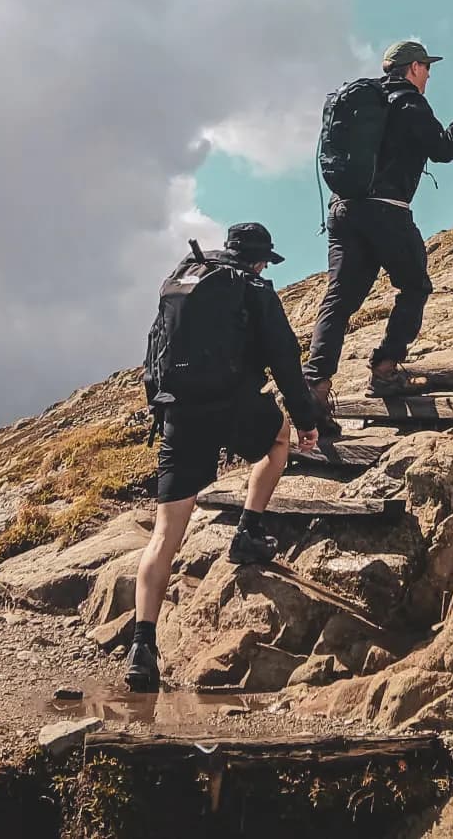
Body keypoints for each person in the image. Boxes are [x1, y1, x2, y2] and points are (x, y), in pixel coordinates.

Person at [126, 222, 320, 693]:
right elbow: (285, 361)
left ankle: (142, 646)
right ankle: (249, 531)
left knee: (165, 534)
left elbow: (156, 346)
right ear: (260, 260)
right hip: (231, 406)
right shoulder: (253, 288)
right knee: (278, 440)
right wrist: (305, 418)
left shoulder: (187, 275)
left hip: (179, 413)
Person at [305, 41, 453, 414]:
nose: (430, 75)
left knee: (340, 298)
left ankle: (316, 385)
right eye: (427, 67)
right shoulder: (408, 101)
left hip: (342, 210)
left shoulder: (364, 101)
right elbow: (443, 148)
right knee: (415, 284)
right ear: (414, 67)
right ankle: (385, 369)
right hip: (386, 210)